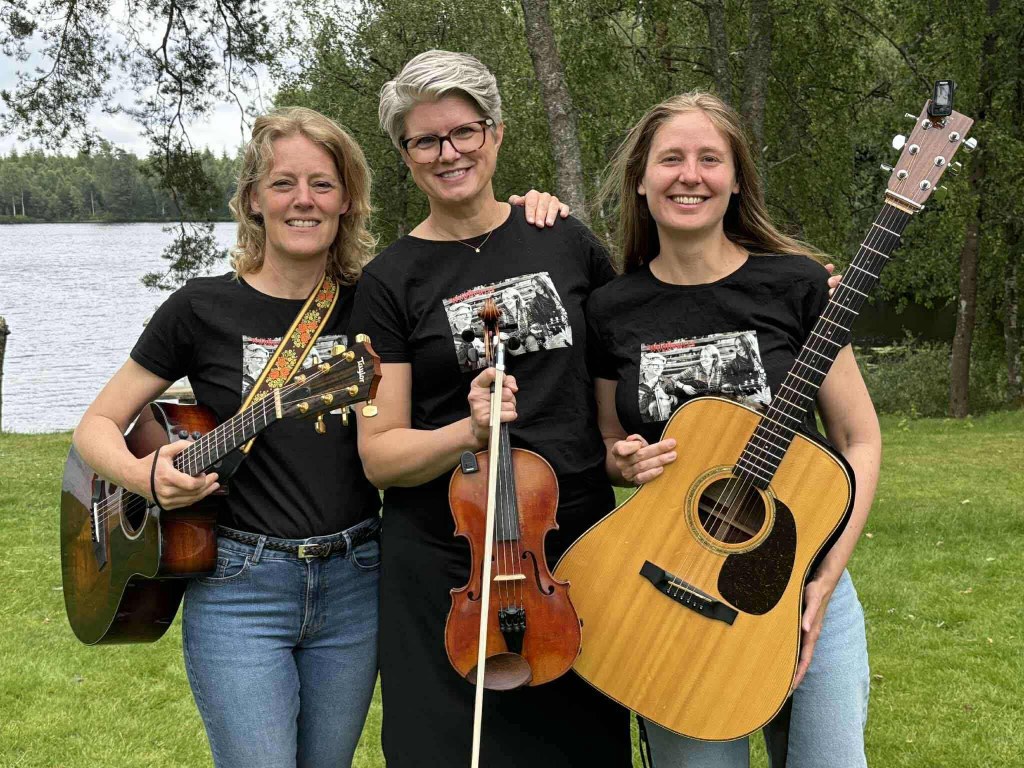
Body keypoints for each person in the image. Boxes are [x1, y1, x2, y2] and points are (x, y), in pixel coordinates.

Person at [73, 107, 384, 767]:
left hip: (356, 580)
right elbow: (95, 426)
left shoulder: (376, 301)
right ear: (252, 200)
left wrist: (532, 211)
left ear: (347, 200)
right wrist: (142, 476)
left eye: (323, 184)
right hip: (239, 587)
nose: (303, 199)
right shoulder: (199, 307)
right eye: (283, 183)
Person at [351, 50, 632, 767]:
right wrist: (465, 431)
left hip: (569, 552)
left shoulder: (563, 238)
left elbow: (638, 333)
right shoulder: (387, 282)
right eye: (425, 140)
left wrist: (782, 285)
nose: (448, 153)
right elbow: (380, 457)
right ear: (406, 157)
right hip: (450, 567)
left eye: (464, 132)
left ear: (497, 133)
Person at [586, 91, 881, 767]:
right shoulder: (611, 308)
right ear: (640, 178)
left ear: (737, 179)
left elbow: (859, 439)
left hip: (801, 582)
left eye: (710, 159)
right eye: (671, 159)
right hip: (670, 588)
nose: (690, 175)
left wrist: (828, 577)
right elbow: (606, 445)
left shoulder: (797, 285)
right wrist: (622, 462)